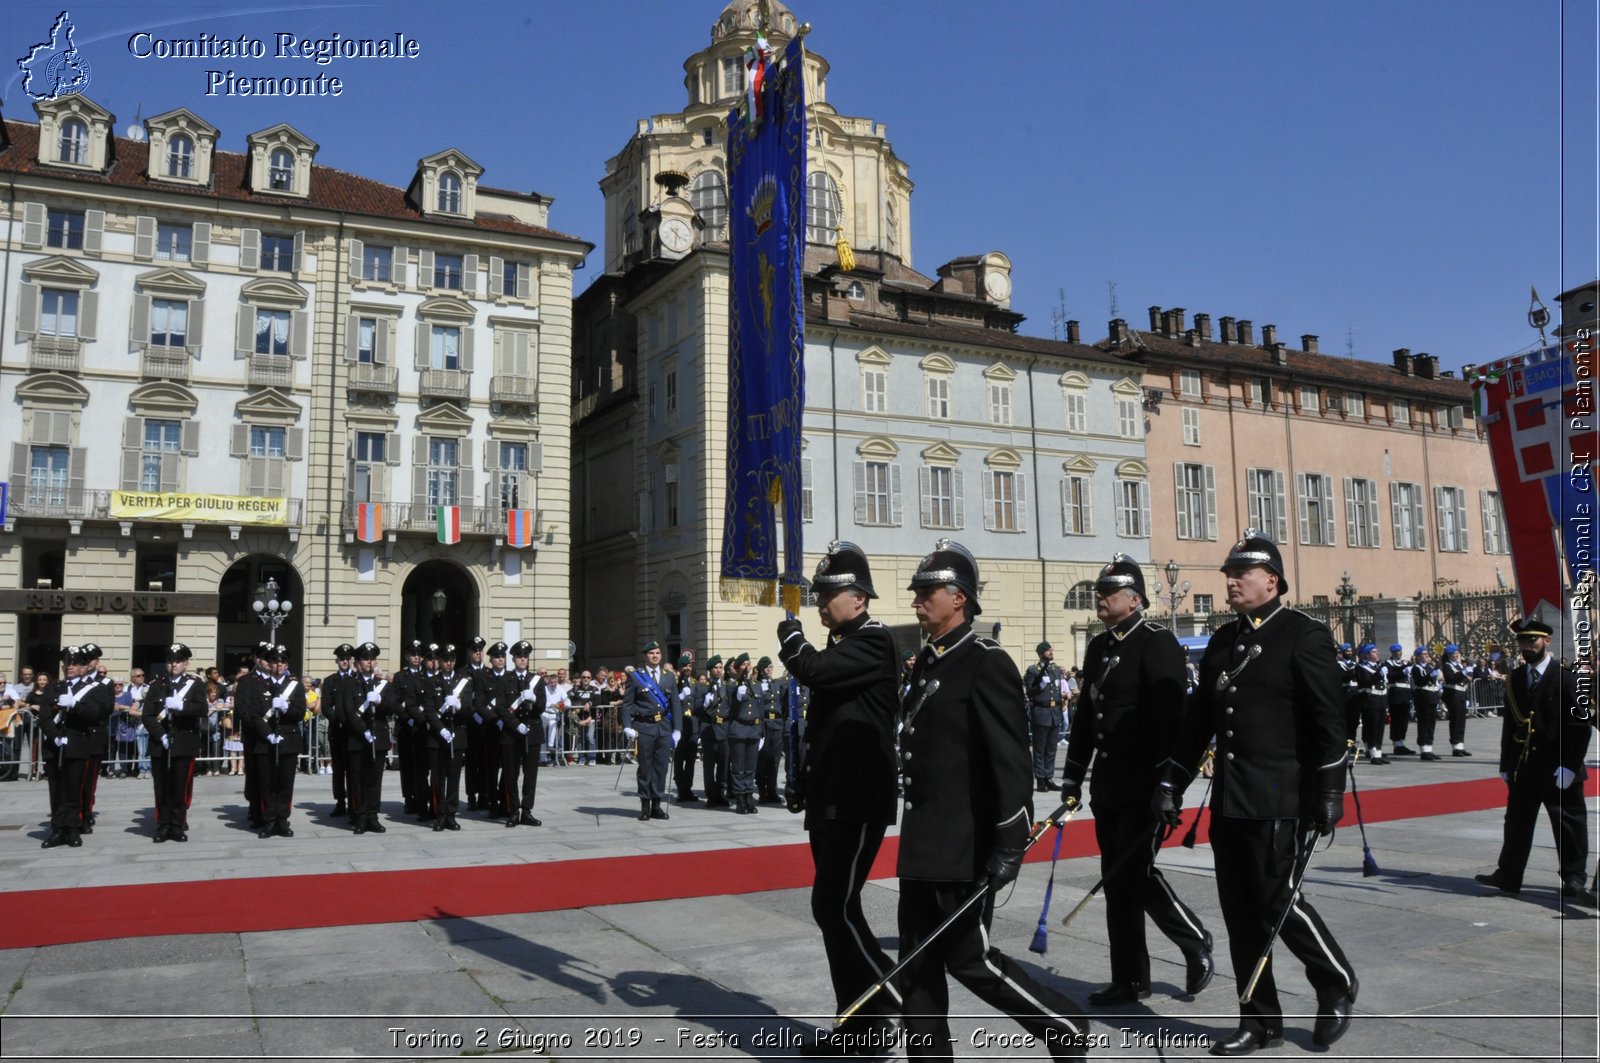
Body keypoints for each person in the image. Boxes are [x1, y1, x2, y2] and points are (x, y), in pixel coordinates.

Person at [1159, 531, 1357, 1055]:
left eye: (1239, 574)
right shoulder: (1224, 641)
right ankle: (1259, 1018)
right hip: (1231, 796)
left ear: (1270, 580)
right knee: (1240, 910)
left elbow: (1329, 722)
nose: (1229, 582)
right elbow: (1199, 721)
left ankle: (1335, 982)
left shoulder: (1302, 636)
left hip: (1280, 792)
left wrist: (1329, 792)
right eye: (1228, 574)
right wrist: (1171, 783)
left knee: (1278, 901)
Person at [898, 539, 1091, 1061]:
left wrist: (1010, 841)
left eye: (926, 592)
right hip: (924, 841)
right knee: (915, 963)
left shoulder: (986, 662)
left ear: (958, 598)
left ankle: (1063, 1025)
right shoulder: (928, 663)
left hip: (964, 844)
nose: (916, 601)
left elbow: (1011, 763)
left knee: (969, 960)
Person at [1061, 554, 1213, 1006]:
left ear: (1135, 599)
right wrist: (1072, 777)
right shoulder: (1099, 647)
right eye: (1099, 593)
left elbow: (1173, 722)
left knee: (1136, 871)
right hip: (1109, 784)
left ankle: (1193, 937)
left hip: (1145, 783)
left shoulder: (1157, 643)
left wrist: (1169, 784)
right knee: (1117, 878)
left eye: (1108, 594)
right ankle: (1129, 978)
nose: (1100, 600)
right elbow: (1088, 716)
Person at [775, 540, 903, 1056]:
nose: (821, 603)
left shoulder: (874, 641)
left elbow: (815, 674)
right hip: (830, 793)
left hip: (857, 795)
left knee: (834, 906)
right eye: (819, 594)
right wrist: (804, 777)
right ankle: (858, 1026)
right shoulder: (843, 641)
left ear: (859, 597)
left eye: (830, 594)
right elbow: (827, 722)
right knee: (835, 911)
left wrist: (791, 637)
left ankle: (893, 993)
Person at [1473, 617, 1590, 898]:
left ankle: (1573, 877)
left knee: (1568, 824)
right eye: (1522, 641)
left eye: (1532, 640)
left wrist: (1570, 766)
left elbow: (1580, 727)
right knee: (1516, 822)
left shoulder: (1566, 677)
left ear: (1546, 641)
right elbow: (1511, 724)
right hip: (1524, 766)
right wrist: (1505, 764)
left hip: (1558, 766)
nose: (1527, 646)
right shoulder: (1515, 678)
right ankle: (1509, 874)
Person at [40, 646, 109, 848]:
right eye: (67, 663)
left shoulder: (95, 688)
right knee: (57, 789)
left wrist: (75, 705)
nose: (70, 667)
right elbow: (44, 716)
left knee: (74, 789)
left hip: (79, 744)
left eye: (75, 663)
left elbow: (97, 714)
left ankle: (72, 828)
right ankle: (57, 828)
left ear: (84, 667)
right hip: (55, 746)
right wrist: (54, 736)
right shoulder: (54, 688)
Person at [141, 643, 208, 843]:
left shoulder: (195, 684)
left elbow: (202, 709)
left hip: (184, 742)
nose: (174, 665)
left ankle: (177, 825)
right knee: (161, 787)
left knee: (180, 786)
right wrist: (160, 734)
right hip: (161, 743)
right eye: (171, 661)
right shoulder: (156, 684)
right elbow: (148, 715)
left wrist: (182, 706)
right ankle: (163, 824)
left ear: (186, 664)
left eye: (178, 661)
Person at [345, 641, 398, 834]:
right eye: (366, 659)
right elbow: (348, 711)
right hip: (358, 739)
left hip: (379, 737)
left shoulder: (382, 684)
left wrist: (381, 701)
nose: (370, 662)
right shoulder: (351, 683)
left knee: (375, 779)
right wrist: (363, 730)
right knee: (358, 779)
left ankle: (373, 815)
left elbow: (393, 707)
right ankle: (360, 816)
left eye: (372, 659)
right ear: (358, 662)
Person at [622, 641, 677, 822]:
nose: (655, 656)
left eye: (658, 653)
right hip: (644, 727)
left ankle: (657, 804)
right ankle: (645, 804)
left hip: (663, 727)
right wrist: (627, 725)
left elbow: (675, 704)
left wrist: (677, 729)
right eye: (652, 653)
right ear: (645, 656)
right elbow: (628, 703)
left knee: (661, 767)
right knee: (645, 767)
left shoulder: (669, 676)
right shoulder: (637, 676)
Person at [498, 640, 545, 827]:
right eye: (519, 656)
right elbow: (501, 708)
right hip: (512, 733)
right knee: (511, 773)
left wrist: (534, 698)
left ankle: (527, 810)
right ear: (513, 659)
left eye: (525, 656)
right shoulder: (505, 680)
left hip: (532, 731)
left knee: (530, 774)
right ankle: (513, 810)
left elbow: (541, 706)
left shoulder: (537, 680)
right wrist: (516, 725)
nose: (523, 659)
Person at [427, 646, 471, 831]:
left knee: (453, 777)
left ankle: (451, 814)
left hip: (458, 735)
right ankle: (439, 814)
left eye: (452, 660)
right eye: (445, 660)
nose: (448, 663)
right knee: (438, 778)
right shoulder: (432, 682)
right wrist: (441, 729)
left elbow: (470, 708)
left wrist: (459, 705)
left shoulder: (463, 682)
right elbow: (429, 710)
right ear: (440, 661)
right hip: (438, 737)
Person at [1025, 642, 1067, 792]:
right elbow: (1029, 692)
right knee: (1040, 749)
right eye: (1048, 650)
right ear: (1041, 653)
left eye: (1051, 649)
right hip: (1041, 713)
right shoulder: (1033, 670)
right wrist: (1040, 686)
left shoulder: (1055, 669)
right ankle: (1041, 779)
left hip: (1054, 712)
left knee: (1051, 749)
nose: (1051, 651)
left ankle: (1049, 777)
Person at [322, 645, 357, 816]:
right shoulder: (330, 681)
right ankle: (340, 801)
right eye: (341, 658)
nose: (344, 661)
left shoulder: (358, 679)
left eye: (347, 658)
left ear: (352, 660)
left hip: (353, 731)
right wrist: (339, 720)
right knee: (339, 769)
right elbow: (326, 707)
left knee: (353, 768)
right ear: (336, 660)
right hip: (337, 730)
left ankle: (353, 801)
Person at [725, 653, 761, 815]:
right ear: (738, 667)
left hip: (754, 730)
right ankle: (740, 799)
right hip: (738, 729)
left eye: (749, 663)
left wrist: (762, 732)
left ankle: (748, 796)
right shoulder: (732, 686)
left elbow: (760, 711)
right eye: (744, 664)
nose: (747, 666)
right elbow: (728, 709)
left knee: (750, 767)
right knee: (739, 767)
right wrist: (737, 696)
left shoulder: (756, 685)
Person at [696, 656, 731, 807]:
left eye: (720, 667)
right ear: (710, 670)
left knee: (723, 765)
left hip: (724, 729)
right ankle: (711, 795)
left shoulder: (727, 687)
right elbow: (696, 709)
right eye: (716, 668)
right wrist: (704, 704)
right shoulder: (702, 688)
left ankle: (721, 793)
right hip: (709, 730)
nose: (718, 670)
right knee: (709, 766)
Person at [754, 657, 787, 805]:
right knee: (763, 759)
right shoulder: (758, 685)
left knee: (775, 759)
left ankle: (772, 791)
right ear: (761, 670)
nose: (769, 670)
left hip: (777, 723)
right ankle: (762, 792)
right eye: (766, 668)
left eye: (770, 667)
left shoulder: (778, 684)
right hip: (765, 724)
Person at [1352, 643, 1388, 764]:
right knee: (1372, 728)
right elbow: (1367, 681)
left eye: (1377, 651)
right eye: (1374, 652)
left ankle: (1378, 753)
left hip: (1381, 700)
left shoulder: (1379, 666)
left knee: (1380, 729)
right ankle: (1373, 754)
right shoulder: (1361, 667)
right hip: (1370, 701)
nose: (1377, 653)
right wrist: (1380, 674)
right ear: (1367, 655)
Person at [671, 655, 700, 799]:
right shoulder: (675, 684)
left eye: (689, 666)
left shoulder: (695, 683)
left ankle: (688, 787)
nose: (687, 669)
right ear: (679, 668)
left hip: (693, 725)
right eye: (684, 666)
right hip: (680, 725)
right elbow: (670, 703)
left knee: (690, 759)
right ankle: (680, 787)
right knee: (679, 758)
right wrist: (679, 696)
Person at [1409, 648, 1445, 760]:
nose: (1426, 656)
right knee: (1424, 723)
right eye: (1423, 654)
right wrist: (1431, 674)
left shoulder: (1429, 667)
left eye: (1426, 654)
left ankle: (1429, 747)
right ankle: (1423, 749)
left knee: (1431, 722)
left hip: (1431, 695)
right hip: (1423, 696)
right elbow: (1420, 681)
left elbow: (1433, 681)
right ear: (1418, 656)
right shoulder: (1416, 668)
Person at [1382, 644, 1416, 756]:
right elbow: (1391, 676)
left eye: (1399, 651)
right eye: (1396, 651)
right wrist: (1403, 672)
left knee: (1403, 720)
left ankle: (1402, 742)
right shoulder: (1388, 663)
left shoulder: (1404, 663)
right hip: (1396, 693)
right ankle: (1396, 744)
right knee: (1396, 720)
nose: (1398, 653)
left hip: (1405, 693)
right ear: (1392, 653)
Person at [1439, 644, 1473, 757]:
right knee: (1455, 720)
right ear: (1450, 655)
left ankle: (1460, 746)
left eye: (1457, 652)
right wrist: (1463, 673)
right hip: (1453, 694)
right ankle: (1455, 746)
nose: (1457, 654)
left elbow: (1461, 678)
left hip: (1461, 693)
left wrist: (1467, 677)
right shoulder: (1447, 665)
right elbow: (1451, 679)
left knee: (1461, 720)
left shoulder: (1458, 665)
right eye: (1455, 653)